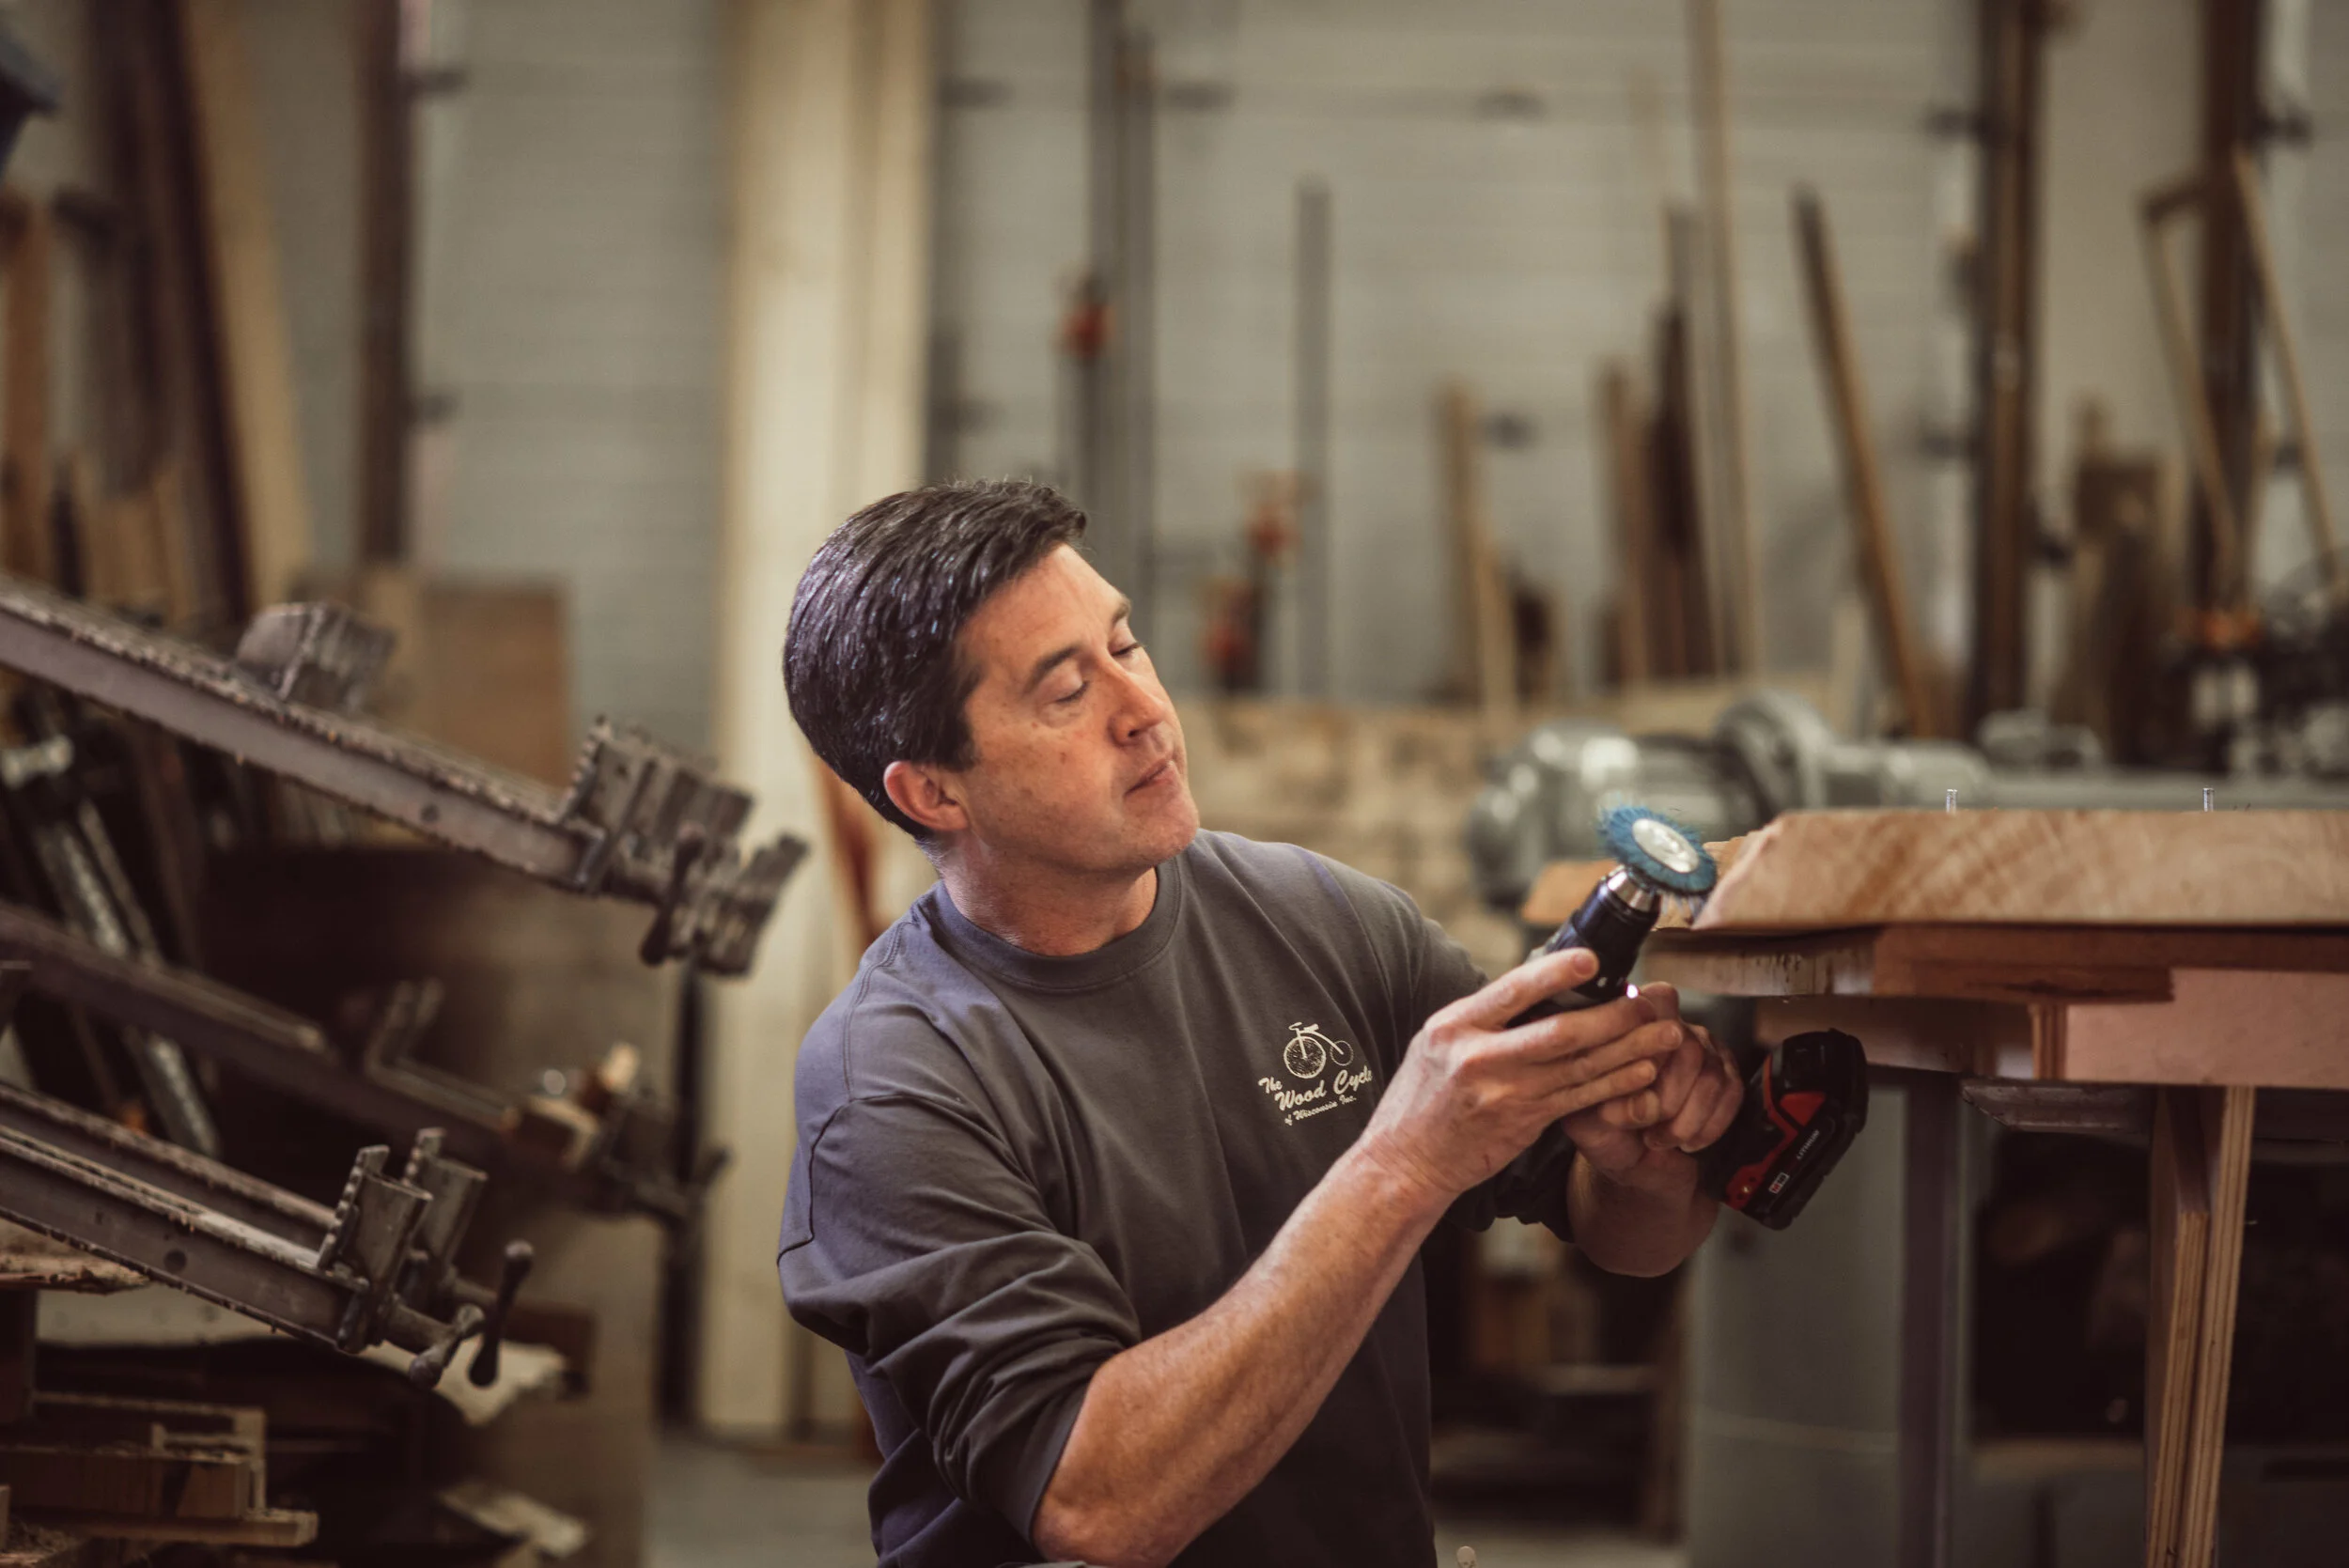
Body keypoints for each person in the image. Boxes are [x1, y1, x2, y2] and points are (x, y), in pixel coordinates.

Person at [777, 479, 1744, 1568]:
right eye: (1063, 694)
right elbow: (1098, 1500)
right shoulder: (893, 1083)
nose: (1142, 707)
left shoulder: (1326, 921)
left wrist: (1644, 1168)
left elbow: (1623, 1236)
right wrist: (1403, 1164)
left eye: (1127, 644)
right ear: (933, 794)